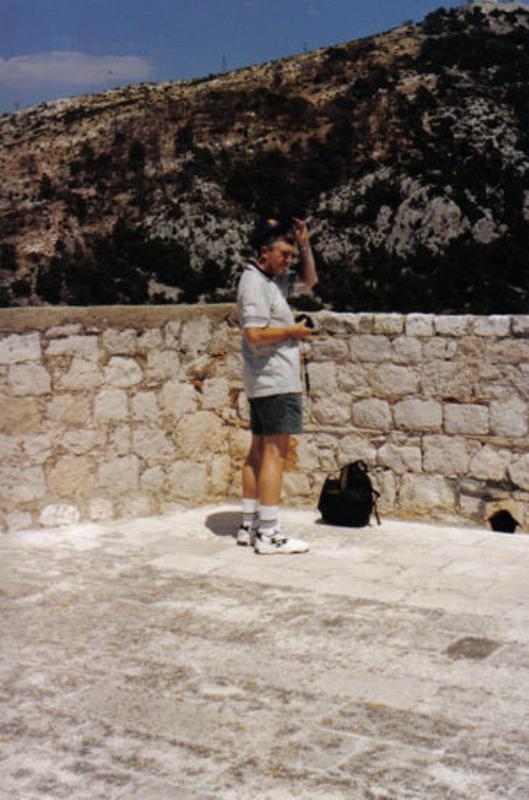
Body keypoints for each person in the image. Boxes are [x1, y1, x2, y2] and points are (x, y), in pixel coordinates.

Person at [236, 217, 318, 554]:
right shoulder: (254, 283)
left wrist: (304, 244)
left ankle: (249, 524)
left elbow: (311, 280)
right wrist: (293, 333)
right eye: (283, 254)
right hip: (273, 379)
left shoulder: (272, 281)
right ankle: (269, 533)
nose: (289, 262)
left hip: (264, 380)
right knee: (275, 452)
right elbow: (254, 335)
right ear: (264, 252)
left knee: (258, 451)